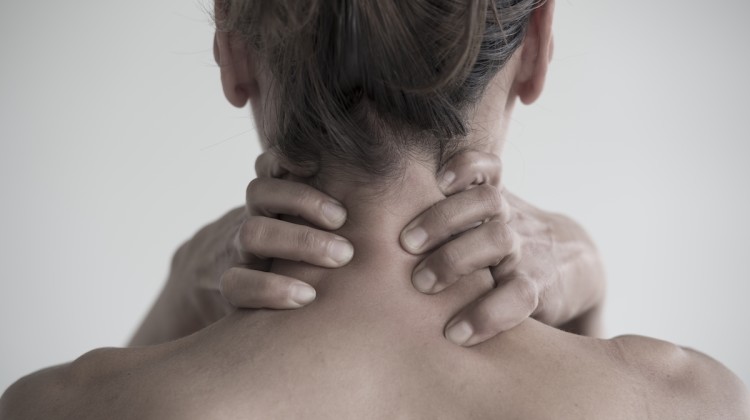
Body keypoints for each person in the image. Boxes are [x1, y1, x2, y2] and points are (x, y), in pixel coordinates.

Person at [1, 0, 747, 418]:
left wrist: (178, 293)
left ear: (232, 50)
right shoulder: (689, 400)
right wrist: (588, 299)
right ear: (537, 46)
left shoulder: (59, 407)